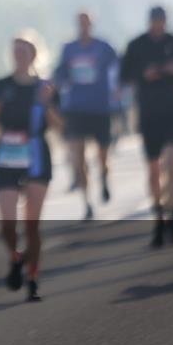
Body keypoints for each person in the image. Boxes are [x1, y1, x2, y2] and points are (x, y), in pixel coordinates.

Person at [0, 31, 55, 301]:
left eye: (25, 51)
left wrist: (47, 105)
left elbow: (61, 126)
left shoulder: (45, 87)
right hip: (8, 156)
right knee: (7, 225)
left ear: (35, 55)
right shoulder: (1, 85)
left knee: (32, 225)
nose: (19, 56)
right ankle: (16, 256)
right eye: (15, 51)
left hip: (36, 154)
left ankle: (33, 278)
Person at [120, 6, 173, 247]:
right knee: (153, 171)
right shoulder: (137, 45)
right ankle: (158, 219)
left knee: (171, 166)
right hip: (147, 113)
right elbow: (124, 75)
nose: (158, 25)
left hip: (172, 112)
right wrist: (144, 74)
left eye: (161, 21)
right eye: (154, 21)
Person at [52, 12, 118, 220]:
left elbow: (118, 68)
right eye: (80, 23)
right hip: (76, 108)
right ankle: (87, 202)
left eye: (87, 23)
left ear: (92, 25)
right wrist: (58, 82)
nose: (84, 26)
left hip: (100, 108)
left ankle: (104, 176)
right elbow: (60, 72)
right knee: (77, 158)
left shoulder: (104, 47)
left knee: (103, 157)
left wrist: (117, 89)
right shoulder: (69, 48)